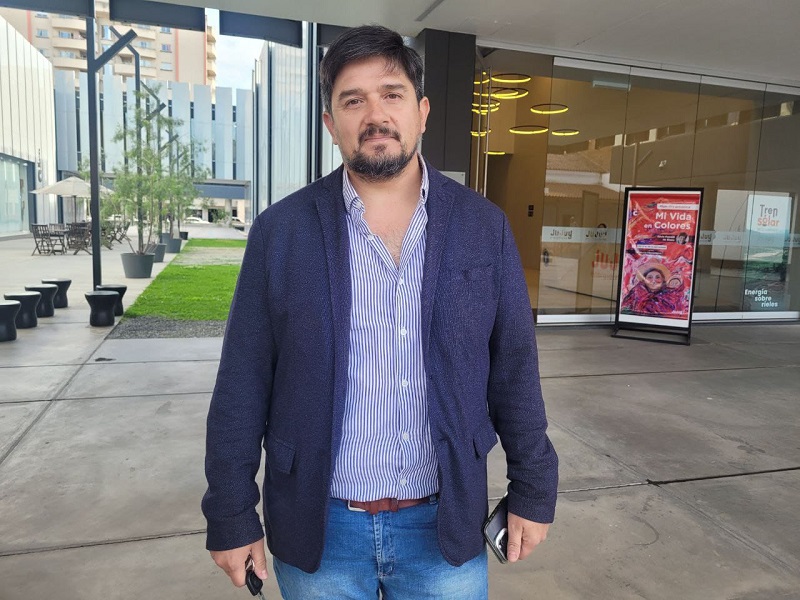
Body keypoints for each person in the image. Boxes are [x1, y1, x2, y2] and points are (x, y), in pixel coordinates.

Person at [202, 24, 558, 599]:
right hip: (320, 527)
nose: (375, 115)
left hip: (444, 524)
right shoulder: (281, 232)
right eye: (353, 100)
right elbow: (242, 381)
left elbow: (514, 366)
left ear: (422, 112)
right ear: (330, 123)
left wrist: (534, 488)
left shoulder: (482, 227)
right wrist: (230, 512)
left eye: (392, 94)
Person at [621, 261, 686, 317]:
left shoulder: (669, 297)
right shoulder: (635, 293)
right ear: (644, 280)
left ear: (663, 280)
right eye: (650, 277)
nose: (654, 281)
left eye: (657, 277)